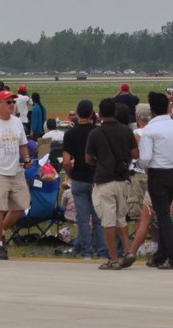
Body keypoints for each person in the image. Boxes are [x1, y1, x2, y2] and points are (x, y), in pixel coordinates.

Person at [85, 98, 138, 270]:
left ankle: (113, 258)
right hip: (122, 180)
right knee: (120, 218)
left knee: (108, 221)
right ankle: (128, 251)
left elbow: (88, 158)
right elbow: (135, 153)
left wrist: (100, 162)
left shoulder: (95, 133)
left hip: (104, 180)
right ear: (114, 112)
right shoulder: (126, 131)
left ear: (99, 113)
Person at [0, 90, 31, 260]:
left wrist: (27, 157)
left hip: (15, 170)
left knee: (21, 206)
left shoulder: (16, 123)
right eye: (8, 102)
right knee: (0, 208)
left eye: (13, 102)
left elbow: (23, 144)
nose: (12, 105)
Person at [139, 91, 173, 269]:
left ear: (152, 111)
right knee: (164, 214)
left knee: (163, 217)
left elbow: (145, 157)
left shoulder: (149, 130)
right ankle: (160, 256)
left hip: (157, 174)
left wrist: (140, 163)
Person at [62, 99, 107, 259]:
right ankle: (102, 251)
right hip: (96, 179)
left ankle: (86, 251)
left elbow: (66, 161)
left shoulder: (70, 134)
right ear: (92, 114)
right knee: (98, 218)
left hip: (79, 179)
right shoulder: (99, 132)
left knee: (82, 218)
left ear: (78, 114)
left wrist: (72, 175)